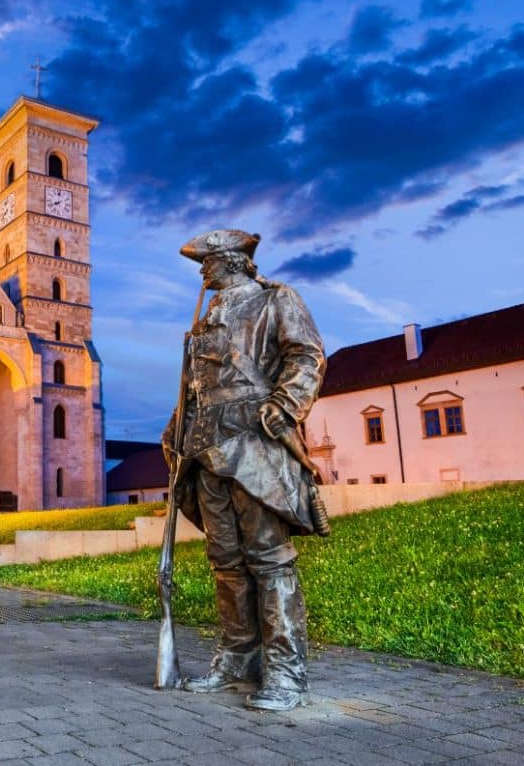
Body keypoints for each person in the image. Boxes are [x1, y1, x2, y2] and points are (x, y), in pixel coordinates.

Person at [163, 229, 326, 711]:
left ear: (232, 261)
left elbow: (307, 355)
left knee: (268, 556)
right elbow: (193, 386)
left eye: (209, 261)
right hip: (206, 444)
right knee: (226, 559)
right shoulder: (205, 317)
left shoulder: (276, 300)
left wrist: (287, 403)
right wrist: (177, 430)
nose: (203, 271)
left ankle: (285, 670)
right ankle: (238, 656)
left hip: (253, 440)